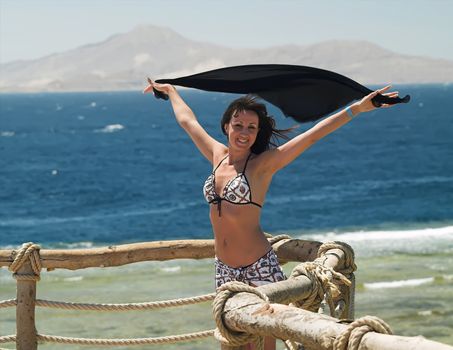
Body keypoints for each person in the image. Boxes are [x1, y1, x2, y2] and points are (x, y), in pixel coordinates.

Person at [143, 80, 399, 350]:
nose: (243, 132)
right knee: (233, 341)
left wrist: (357, 109)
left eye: (251, 128)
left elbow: (311, 136)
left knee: (266, 344)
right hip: (224, 269)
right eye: (238, 125)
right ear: (226, 126)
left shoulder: (262, 165)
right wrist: (171, 92)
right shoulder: (217, 155)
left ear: (257, 133)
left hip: (259, 268)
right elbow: (188, 122)